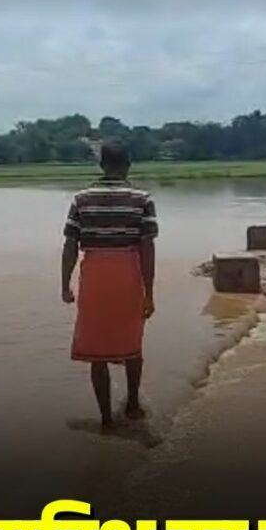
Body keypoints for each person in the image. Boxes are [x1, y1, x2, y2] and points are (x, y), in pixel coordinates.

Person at [61, 143, 158, 431]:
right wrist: (149, 292)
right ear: (128, 164)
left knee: (96, 350)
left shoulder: (81, 199)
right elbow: (147, 248)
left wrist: (64, 284)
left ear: (102, 166)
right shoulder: (142, 199)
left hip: (94, 274)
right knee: (132, 343)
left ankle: (105, 420)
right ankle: (132, 405)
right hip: (127, 273)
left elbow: (70, 245)